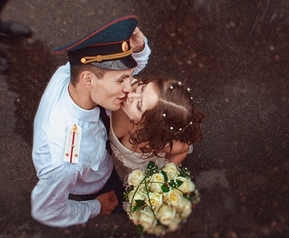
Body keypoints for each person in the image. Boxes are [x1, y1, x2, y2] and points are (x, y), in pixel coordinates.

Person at [30, 15, 151, 228]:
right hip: (98, 185)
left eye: (128, 77)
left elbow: (110, 74)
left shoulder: (71, 73)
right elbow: (46, 210)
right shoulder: (66, 160)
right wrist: (95, 207)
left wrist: (139, 49)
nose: (129, 88)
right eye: (121, 81)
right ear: (87, 80)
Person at [109, 77, 205, 182]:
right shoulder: (124, 89)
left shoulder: (162, 142)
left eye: (139, 105)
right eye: (142, 89)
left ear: (151, 127)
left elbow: (181, 151)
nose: (131, 95)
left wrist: (161, 180)